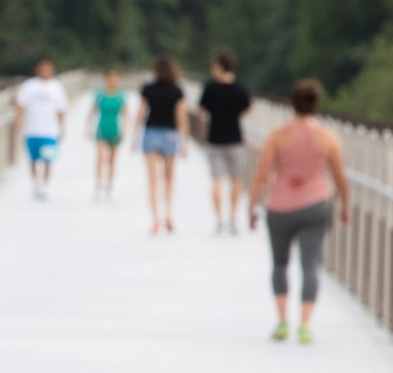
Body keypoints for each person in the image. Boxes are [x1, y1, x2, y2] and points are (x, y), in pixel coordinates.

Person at [248, 78, 350, 344]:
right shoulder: (328, 137)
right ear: (317, 105)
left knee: (280, 264)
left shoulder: (278, 136)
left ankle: (282, 321)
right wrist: (345, 205)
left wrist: (251, 204)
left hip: (280, 206)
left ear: (291, 104)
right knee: (310, 265)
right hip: (316, 204)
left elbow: (262, 174)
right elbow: (340, 177)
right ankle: (304, 324)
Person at [133, 55, 190, 234]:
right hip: (170, 134)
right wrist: (184, 141)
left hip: (151, 133)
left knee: (152, 180)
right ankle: (168, 212)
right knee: (168, 178)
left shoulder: (148, 89)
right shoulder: (177, 90)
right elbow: (181, 117)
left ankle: (155, 218)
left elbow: (141, 113)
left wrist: (135, 136)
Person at [198, 50, 253, 233]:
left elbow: (200, 111)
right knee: (236, 179)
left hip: (214, 138)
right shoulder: (240, 88)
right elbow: (248, 111)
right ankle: (233, 217)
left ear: (219, 66)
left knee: (217, 181)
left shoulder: (210, 88)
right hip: (235, 139)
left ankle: (219, 220)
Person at [12, 57, 69, 200]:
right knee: (34, 160)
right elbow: (21, 105)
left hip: (50, 130)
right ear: (38, 69)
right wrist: (17, 122)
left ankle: (45, 185)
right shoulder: (29, 86)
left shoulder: (57, 87)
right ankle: (36, 183)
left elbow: (61, 110)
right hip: (32, 130)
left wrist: (62, 128)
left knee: (48, 159)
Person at [86, 68, 128, 199]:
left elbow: (126, 113)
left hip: (115, 129)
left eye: (115, 79)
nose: (112, 82)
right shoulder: (99, 94)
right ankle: (99, 184)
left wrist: (125, 128)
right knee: (101, 158)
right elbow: (92, 110)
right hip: (102, 129)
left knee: (112, 160)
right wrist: (88, 126)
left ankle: (109, 185)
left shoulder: (121, 95)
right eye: (110, 79)